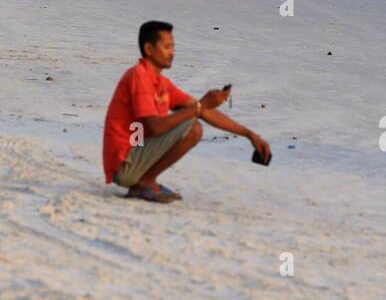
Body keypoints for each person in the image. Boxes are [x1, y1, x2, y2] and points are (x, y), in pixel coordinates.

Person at [101, 21, 271, 202]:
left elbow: (203, 111)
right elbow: (157, 126)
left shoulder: (159, 82)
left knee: (193, 120)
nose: (172, 52)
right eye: (166, 47)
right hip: (124, 163)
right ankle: (145, 182)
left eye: (173, 47)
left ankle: (146, 181)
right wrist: (200, 106)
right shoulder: (139, 76)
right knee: (193, 128)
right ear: (149, 49)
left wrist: (250, 135)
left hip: (136, 153)